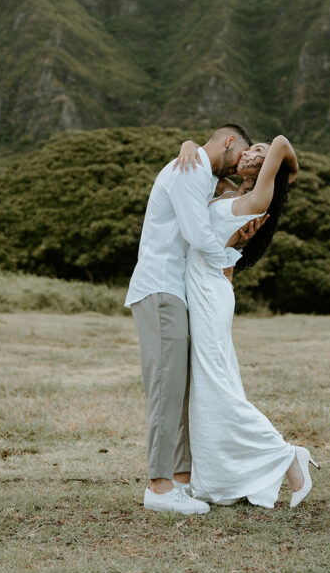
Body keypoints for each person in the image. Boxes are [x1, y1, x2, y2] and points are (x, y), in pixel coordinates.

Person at [125, 123, 266, 515]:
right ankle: (158, 486)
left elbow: (222, 206)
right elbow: (199, 234)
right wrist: (231, 255)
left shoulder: (201, 172)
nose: (243, 166)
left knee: (184, 387)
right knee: (166, 388)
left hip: (177, 292)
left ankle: (181, 482)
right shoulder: (190, 169)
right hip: (161, 288)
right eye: (242, 155)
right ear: (228, 142)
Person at [175, 134, 320, 509]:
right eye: (250, 149)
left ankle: (287, 455)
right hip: (207, 289)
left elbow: (284, 142)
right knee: (210, 387)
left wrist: (288, 172)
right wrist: (190, 143)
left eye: (260, 152)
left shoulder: (259, 199)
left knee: (216, 386)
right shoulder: (227, 194)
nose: (252, 153)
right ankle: (221, 479)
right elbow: (205, 168)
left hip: (209, 295)